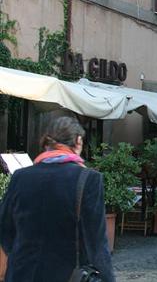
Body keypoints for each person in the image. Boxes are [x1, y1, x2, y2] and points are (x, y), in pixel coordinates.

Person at [0, 116, 114, 281]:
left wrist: (20, 256)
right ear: (78, 141)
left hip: (22, 274)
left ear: (47, 143)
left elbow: (4, 229)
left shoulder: (20, 177)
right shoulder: (88, 179)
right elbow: (96, 244)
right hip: (66, 275)